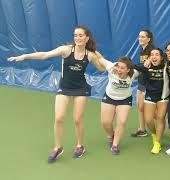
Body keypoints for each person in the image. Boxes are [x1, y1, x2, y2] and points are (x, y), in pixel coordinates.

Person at [8, 26, 107, 163]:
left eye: (80, 35)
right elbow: (44, 55)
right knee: (59, 117)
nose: (77, 38)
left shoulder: (89, 55)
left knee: (78, 119)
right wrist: (25, 56)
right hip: (64, 87)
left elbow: (102, 68)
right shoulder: (65, 50)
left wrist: (100, 56)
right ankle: (58, 147)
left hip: (81, 89)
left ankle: (80, 145)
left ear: (87, 38)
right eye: (75, 35)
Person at [98, 56, 139, 155]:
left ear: (128, 70)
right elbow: (100, 59)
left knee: (122, 121)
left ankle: (115, 145)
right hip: (109, 97)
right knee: (105, 122)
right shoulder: (112, 68)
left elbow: (144, 67)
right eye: (119, 67)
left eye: (122, 68)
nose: (119, 70)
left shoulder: (134, 73)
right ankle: (111, 135)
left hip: (125, 100)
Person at [134, 48, 168, 154]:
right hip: (150, 95)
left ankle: (157, 143)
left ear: (161, 57)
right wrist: (146, 62)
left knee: (160, 118)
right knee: (148, 120)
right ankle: (155, 134)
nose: (154, 56)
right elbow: (133, 65)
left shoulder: (166, 66)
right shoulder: (146, 66)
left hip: (163, 96)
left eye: (157, 54)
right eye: (152, 55)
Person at [131, 30, 155, 137]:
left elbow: (145, 67)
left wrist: (131, 65)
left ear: (148, 39)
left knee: (149, 110)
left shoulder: (152, 51)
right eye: (139, 36)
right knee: (139, 106)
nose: (140, 38)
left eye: (143, 37)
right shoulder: (142, 50)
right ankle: (142, 129)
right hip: (141, 81)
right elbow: (142, 66)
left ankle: (159, 126)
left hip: (149, 83)